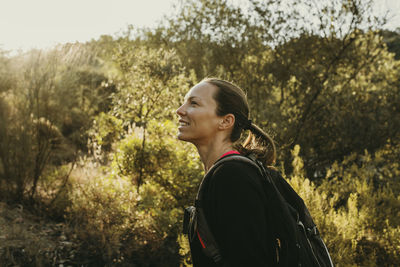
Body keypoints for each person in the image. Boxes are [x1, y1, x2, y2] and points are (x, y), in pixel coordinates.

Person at [176, 78, 278, 266]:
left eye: (194, 103)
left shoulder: (232, 176)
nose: (180, 110)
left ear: (225, 121)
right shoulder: (224, 172)